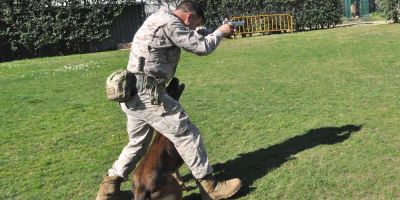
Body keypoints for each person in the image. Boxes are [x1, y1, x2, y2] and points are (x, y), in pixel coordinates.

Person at [96, 1, 242, 200]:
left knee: (137, 143)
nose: (191, 28)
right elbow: (200, 47)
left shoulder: (162, 17)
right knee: (186, 133)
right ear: (188, 17)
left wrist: (216, 30)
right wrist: (219, 33)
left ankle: (108, 191)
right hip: (148, 94)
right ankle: (210, 187)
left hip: (133, 93)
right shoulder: (170, 23)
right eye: (192, 24)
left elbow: (192, 34)